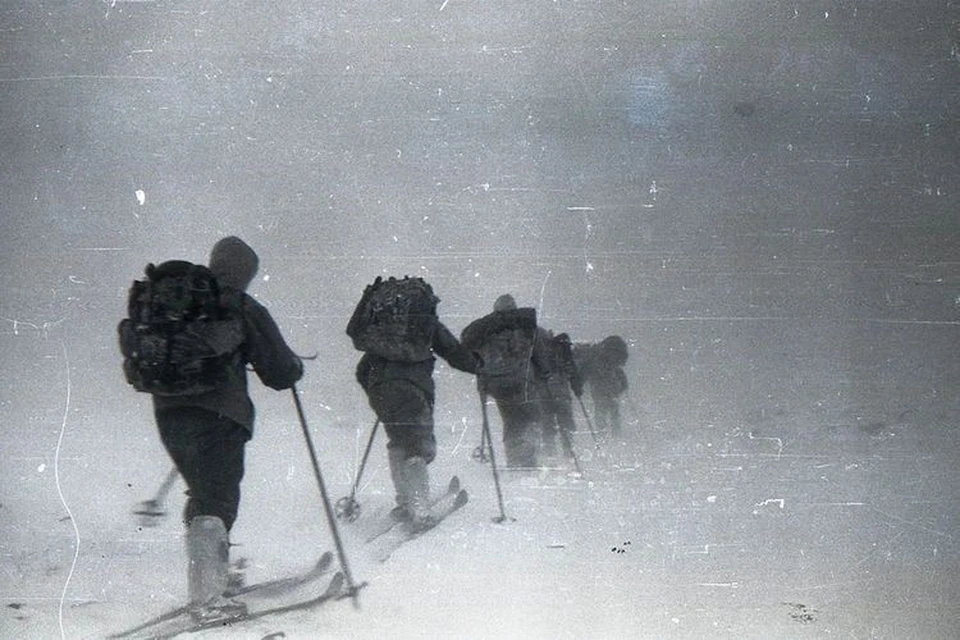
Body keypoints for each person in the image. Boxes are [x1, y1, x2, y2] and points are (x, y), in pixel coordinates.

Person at [136, 237, 304, 622]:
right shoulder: (239, 304)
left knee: (203, 492)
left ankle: (210, 581)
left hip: (168, 412)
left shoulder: (176, 299)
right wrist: (294, 368)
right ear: (246, 271)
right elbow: (279, 371)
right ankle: (209, 599)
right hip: (221, 416)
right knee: (217, 499)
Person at [352, 278, 477, 531]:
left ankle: (406, 502)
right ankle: (419, 508)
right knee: (416, 445)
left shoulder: (380, 333)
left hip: (380, 389)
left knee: (399, 441)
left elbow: (361, 370)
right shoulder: (424, 324)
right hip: (411, 389)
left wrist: (377, 391)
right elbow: (453, 351)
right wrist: (479, 365)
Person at [461, 294, 551, 468]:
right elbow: (539, 355)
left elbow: (469, 352)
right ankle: (528, 459)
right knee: (532, 418)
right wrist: (544, 373)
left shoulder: (484, 329)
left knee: (511, 421)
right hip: (522, 382)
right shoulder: (527, 327)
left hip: (497, 385)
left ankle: (515, 461)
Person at [536, 331, 584, 461]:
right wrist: (577, 388)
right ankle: (568, 452)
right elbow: (572, 371)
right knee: (565, 421)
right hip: (560, 390)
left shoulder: (538, 351)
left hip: (542, 390)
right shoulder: (563, 353)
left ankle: (550, 453)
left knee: (547, 423)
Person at [575, 335, 629, 436]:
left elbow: (585, 374)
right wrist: (623, 386)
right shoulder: (611, 364)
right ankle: (614, 435)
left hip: (599, 389)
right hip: (610, 390)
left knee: (601, 412)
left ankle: (603, 434)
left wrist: (579, 384)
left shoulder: (596, 361)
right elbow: (621, 376)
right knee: (612, 412)